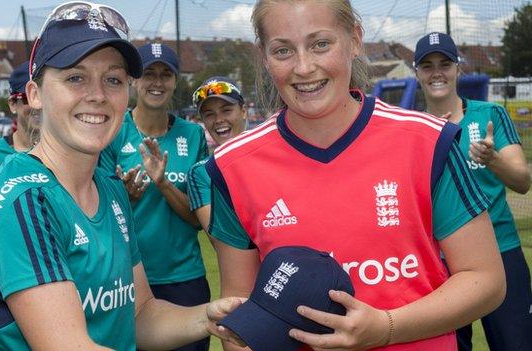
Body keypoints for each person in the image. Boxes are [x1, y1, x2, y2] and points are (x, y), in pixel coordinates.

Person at [204, 1, 506, 350]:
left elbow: (486, 280)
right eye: (283, 50)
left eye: (321, 44)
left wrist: (387, 327)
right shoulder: (231, 167)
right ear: (264, 57)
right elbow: (241, 324)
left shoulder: (428, 143)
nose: (304, 67)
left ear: (355, 40)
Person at [0, 2, 243, 350]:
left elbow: (141, 315)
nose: (97, 95)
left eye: (113, 79)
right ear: (34, 95)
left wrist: (207, 316)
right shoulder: (23, 200)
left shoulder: (110, 188)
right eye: (75, 77)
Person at [414, 32, 532, 351]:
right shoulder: (411, 129)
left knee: (515, 343)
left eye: (445, 64)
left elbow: (522, 180)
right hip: (440, 260)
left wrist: (492, 159)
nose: (436, 72)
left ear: (457, 69)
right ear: (416, 72)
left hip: (501, 249)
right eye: (427, 65)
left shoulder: (490, 115)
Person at [99, 43, 211, 351]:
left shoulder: (194, 135)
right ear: (135, 79)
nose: (157, 82)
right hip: (128, 280)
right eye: (149, 73)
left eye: (166, 74)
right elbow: (98, 213)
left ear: (176, 81)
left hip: (184, 278)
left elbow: (198, 220)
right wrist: (127, 197)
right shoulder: (112, 132)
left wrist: (162, 183)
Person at [187, 76, 247, 232]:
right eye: (209, 114)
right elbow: (221, 239)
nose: (219, 120)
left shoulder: (271, 154)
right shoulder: (201, 173)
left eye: (226, 110)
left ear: (243, 111)